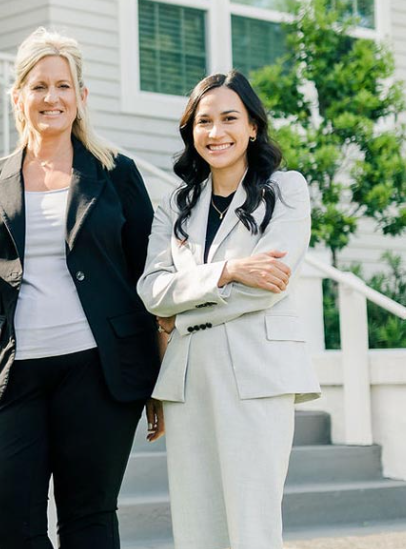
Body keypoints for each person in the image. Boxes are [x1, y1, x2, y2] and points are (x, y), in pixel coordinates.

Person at [0, 27, 164, 549]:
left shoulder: (115, 172)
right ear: (18, 96)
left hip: (97, 368)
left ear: (80, 96)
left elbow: (149, 275)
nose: (50, 97)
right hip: (8, 372)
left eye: (62, 85)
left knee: (88, 518)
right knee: (5, 517)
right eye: (38, 86)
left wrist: (159, 376)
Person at [136, 70, 322, 549]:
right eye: (204, 121)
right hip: (188, 377)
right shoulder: (176, 203)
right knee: (198, 525)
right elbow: (152, 291)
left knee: (252, 522)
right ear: (190, 130)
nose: (215, 132)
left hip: (256, 373)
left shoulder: (286, 190)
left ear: (253, 126)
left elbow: (269, 288)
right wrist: (228, 271)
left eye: (229, 118)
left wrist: (184, 311)